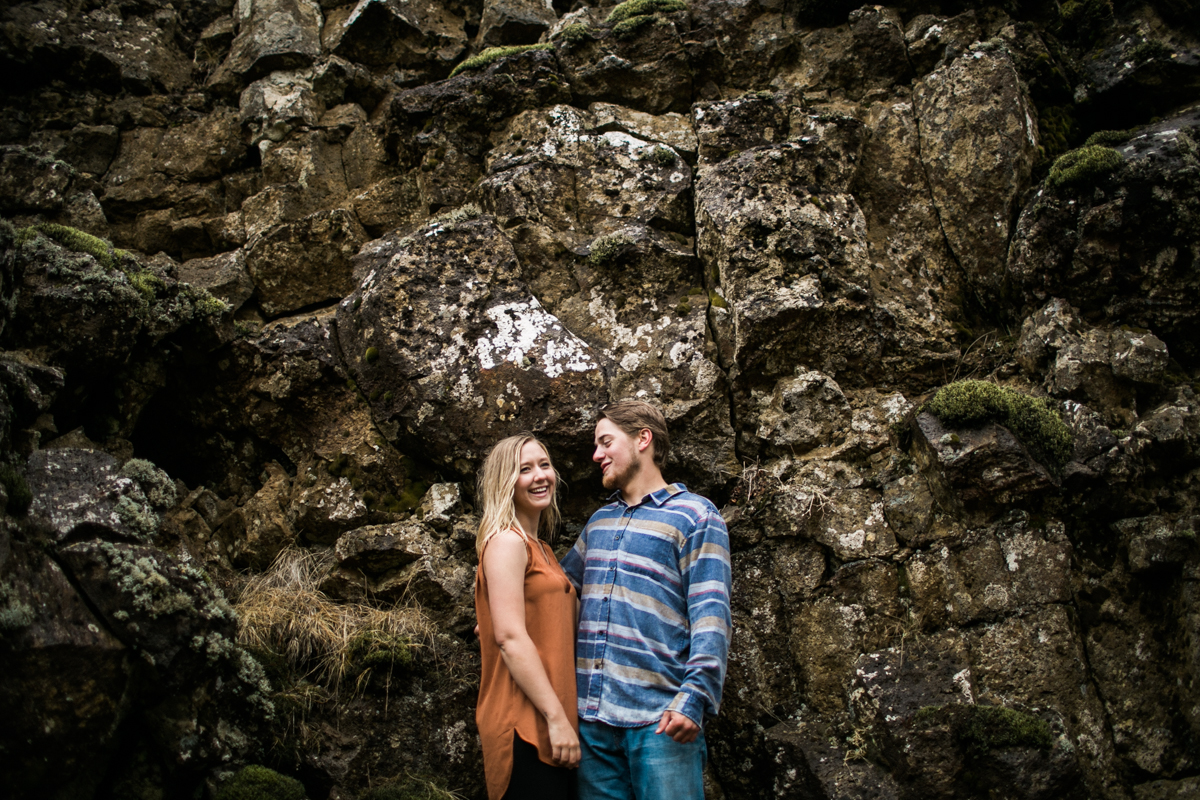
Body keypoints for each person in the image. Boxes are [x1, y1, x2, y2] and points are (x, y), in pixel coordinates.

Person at [561, 401, 733, 800]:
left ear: (643, 438)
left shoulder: (695, 516)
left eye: (606, 442)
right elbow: (560, 591)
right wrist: (507, 615)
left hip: (661, 722)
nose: (596, 455)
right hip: (592, 727)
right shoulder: (598, 522)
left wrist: (694, 699)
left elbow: (712, 616)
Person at [475, 433, 581, 800]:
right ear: (506, 482)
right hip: (524, 724)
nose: (540, 476)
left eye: (544, 465)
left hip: (553, 722)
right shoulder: (507, 543)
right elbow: (510, 638)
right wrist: (557, 719)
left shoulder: (544, 551)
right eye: (524, 469)